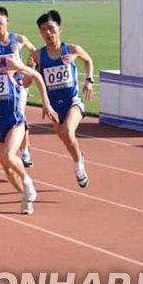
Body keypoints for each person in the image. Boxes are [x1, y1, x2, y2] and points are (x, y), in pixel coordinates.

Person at [0, 30, 56, 215]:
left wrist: (45, 103)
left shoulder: (7, 63)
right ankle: (25, 196)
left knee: (8, 156)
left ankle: (27, 181)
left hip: (14, 119)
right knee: (6, 167)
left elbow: (36, 76)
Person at [34, 10, 93, 187]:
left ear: (60, 29)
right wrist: (31, 71)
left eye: (51, 28)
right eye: (43, 30)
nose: (48, 33)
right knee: (65, 139)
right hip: (53, 107)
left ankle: (78, 166)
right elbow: (27, 81)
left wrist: (89, 80)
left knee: (68, 132)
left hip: (73, 102)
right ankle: (79, 156)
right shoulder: (38, 56)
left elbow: (88, 60)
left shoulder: (72, 49)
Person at [0, 6, 37, 168]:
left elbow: (34, 52)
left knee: (20, 114)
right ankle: (10, 150)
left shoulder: (18, 39)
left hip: (19, 86)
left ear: (7, 21)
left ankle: (25, 151)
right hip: (1, 89)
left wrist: (32, 63)